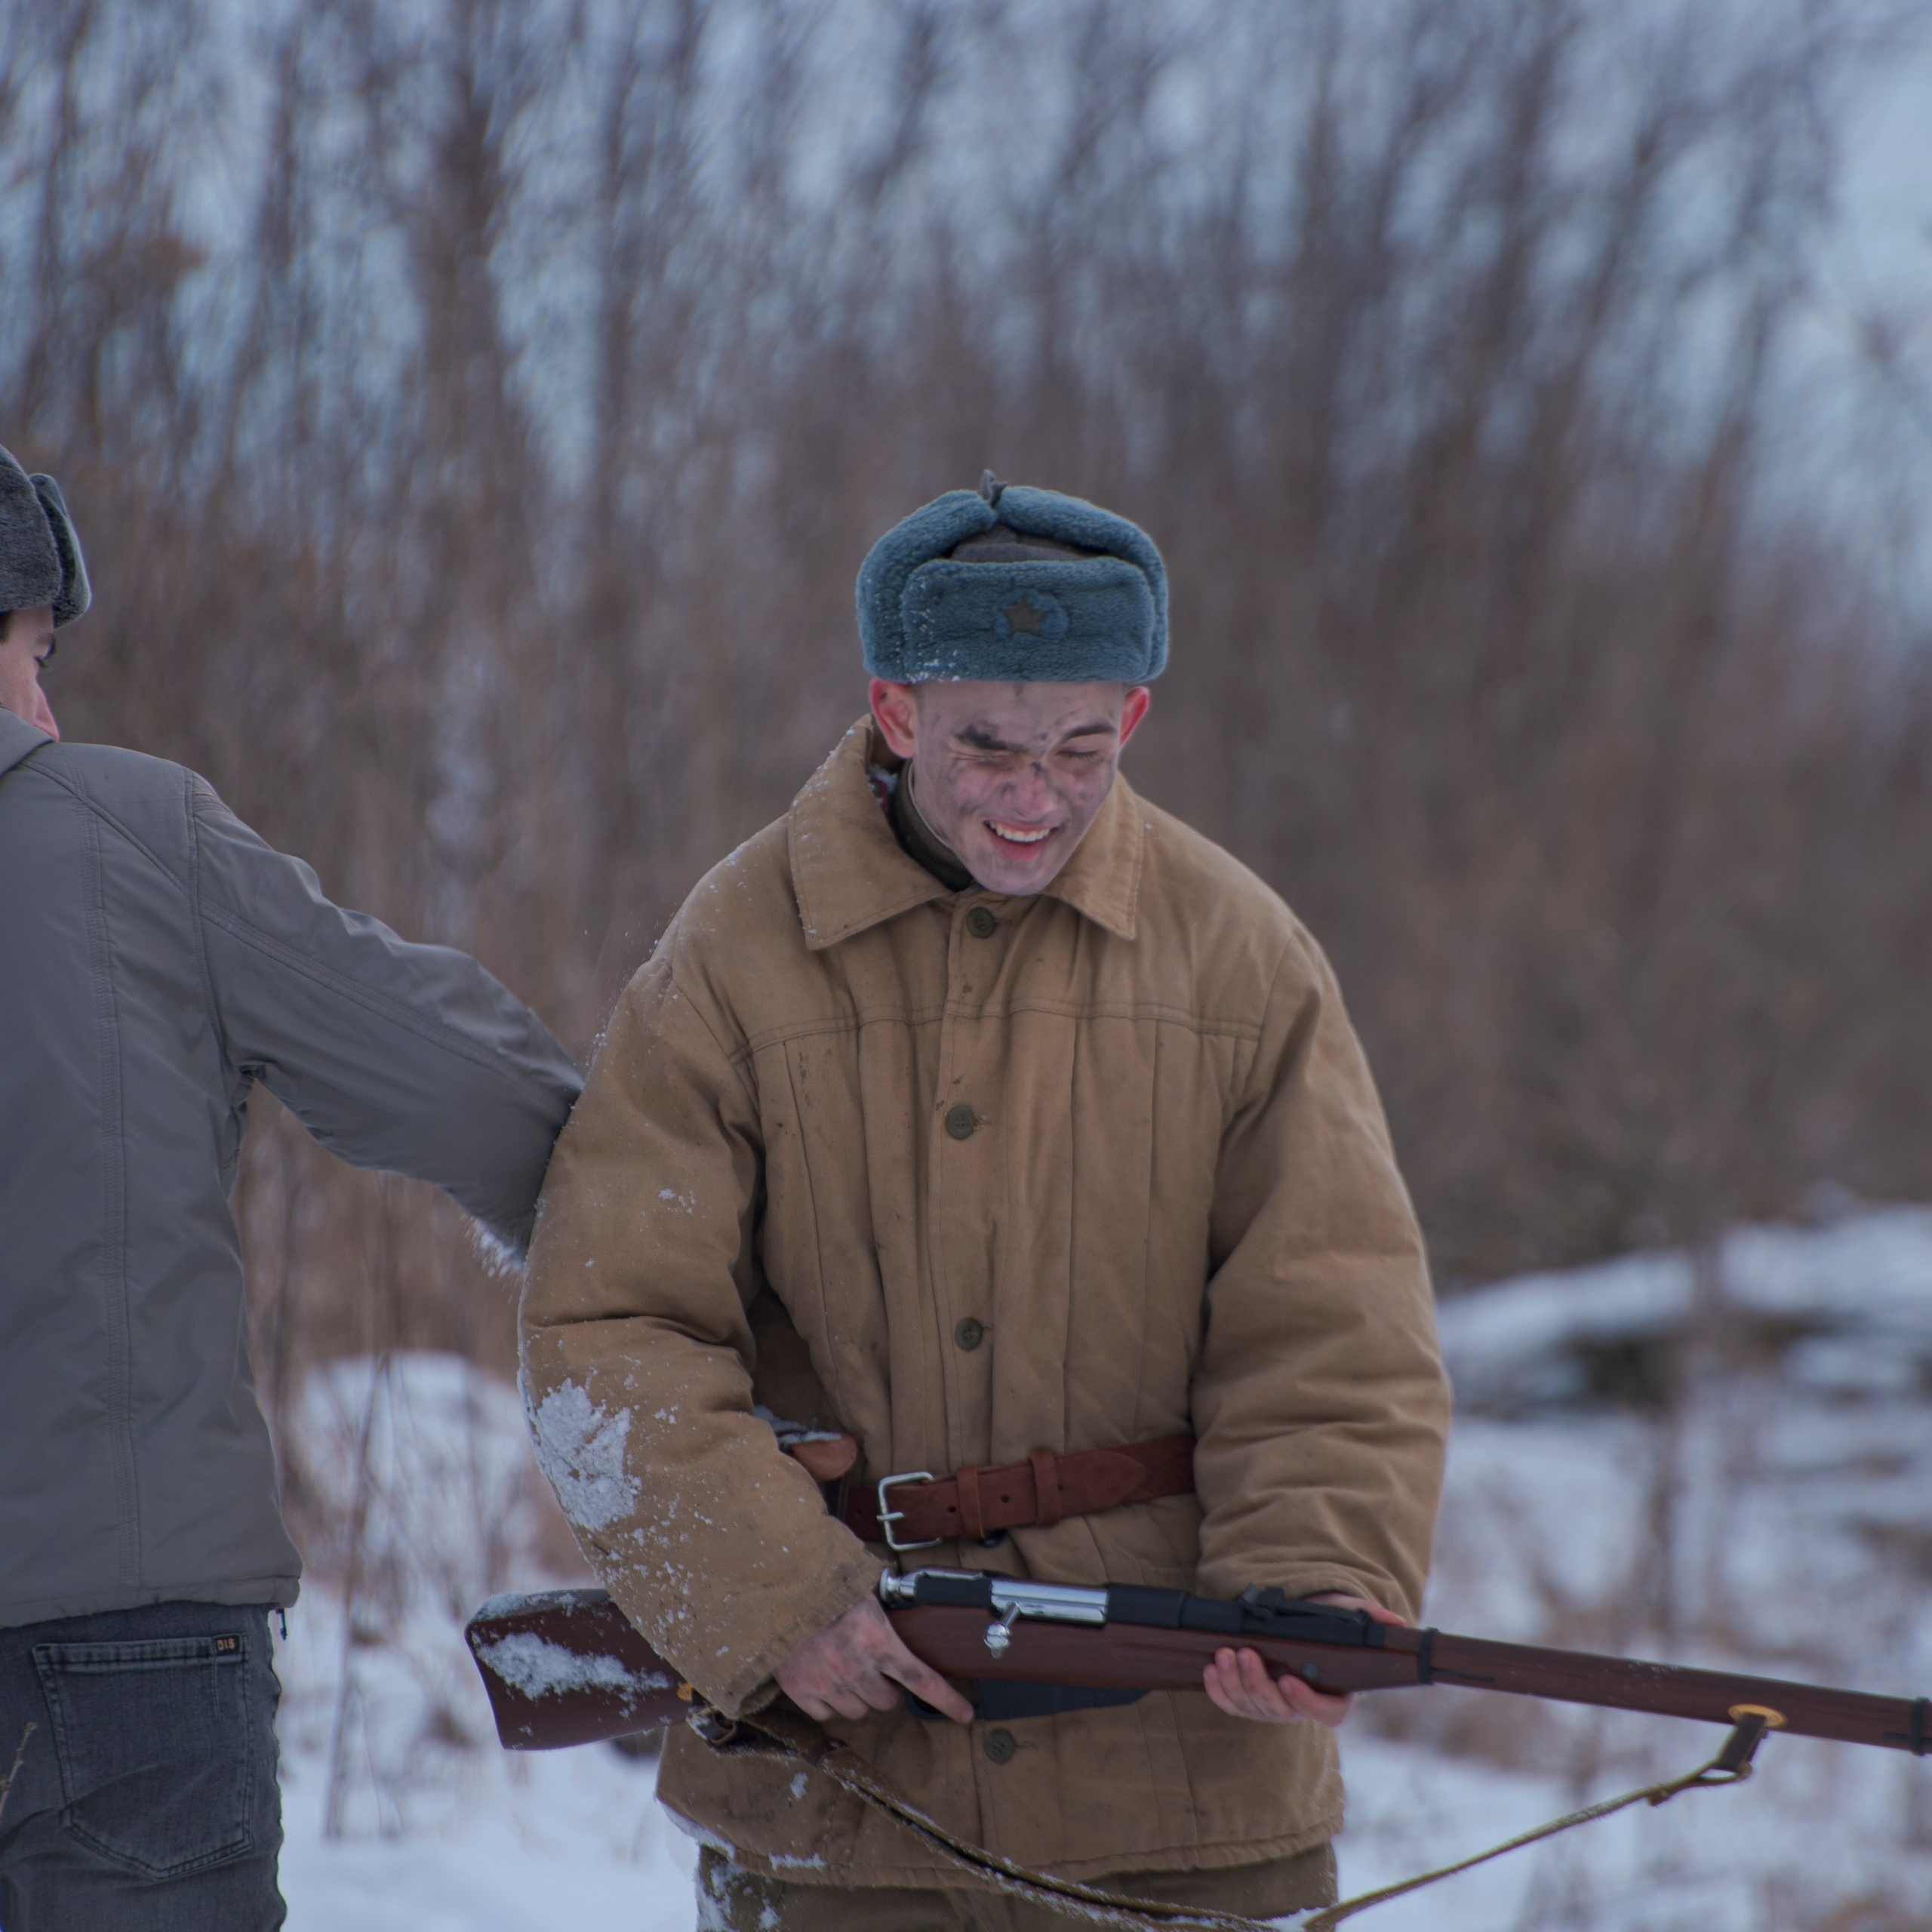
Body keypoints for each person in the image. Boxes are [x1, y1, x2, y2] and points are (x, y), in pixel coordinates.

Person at [521, 477, 1450, 1927]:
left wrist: (1315, 1581)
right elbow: (612, 1320)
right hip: (840, 1808)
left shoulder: (1247, 958)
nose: (1037, 797)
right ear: (897, 715)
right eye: (989, 748)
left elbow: (1335, 1326)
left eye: (1083, 747)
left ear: (1133, 721)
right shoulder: (729, 956)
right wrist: (770, 1600)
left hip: (1183, 1800)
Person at [0, 445, 583, 1930]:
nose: (48, 706)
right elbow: (447, 1076)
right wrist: (669, 1236)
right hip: (126, 1644)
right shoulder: (136, 834)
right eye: (35, 651)